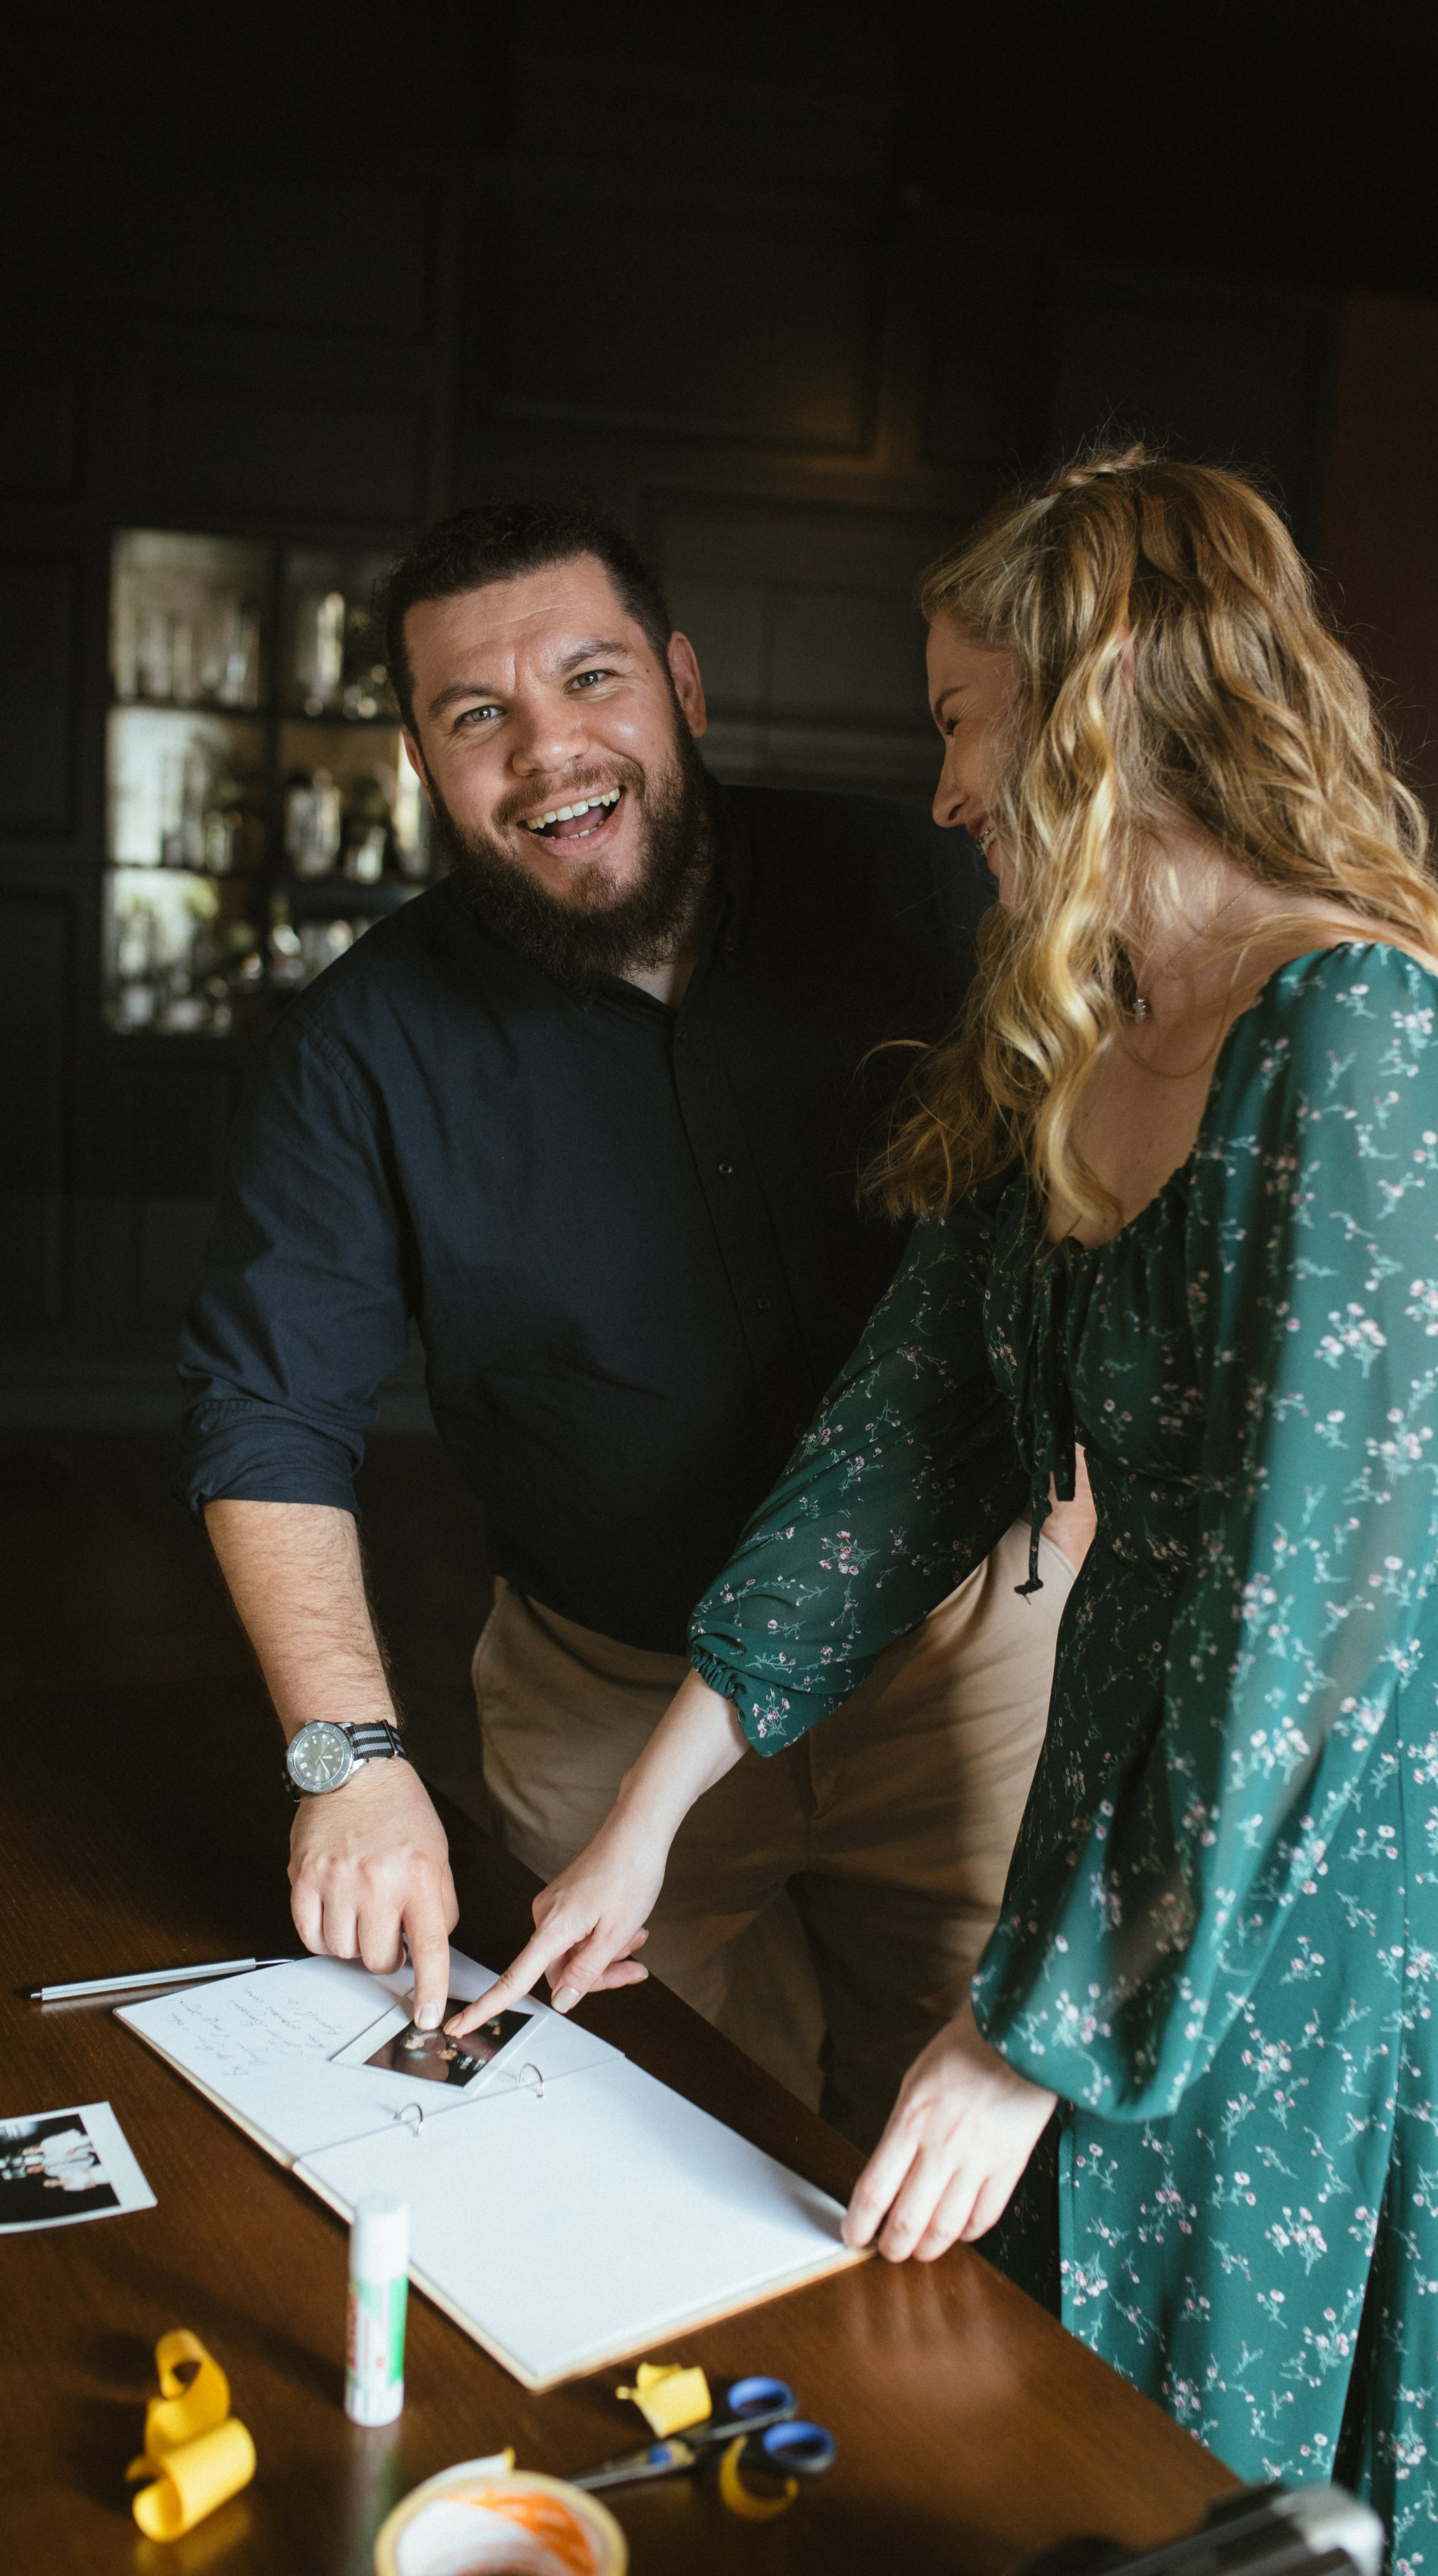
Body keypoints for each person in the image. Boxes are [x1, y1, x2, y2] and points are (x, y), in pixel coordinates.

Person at [452, 451, 1438, 2576]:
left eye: (967, 717)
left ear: (1101, 702)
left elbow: (1297, 1639)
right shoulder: (1088, 1030)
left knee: (1233, 2438)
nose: (946, 788)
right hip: (1130, 1804)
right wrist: (653, 1812)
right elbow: (902, 1446)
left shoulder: (1363, 1042)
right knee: (1071, 2384)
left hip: (1340, 1878)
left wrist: (1032, 2027)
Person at [177, 499, 1086, 2147]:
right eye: (476, 717)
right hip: (601, 1695)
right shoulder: (360, 1040)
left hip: (962, 1668)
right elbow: (267, 1411)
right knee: (619, 2143)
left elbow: (1102, 1223)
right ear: (418, 761)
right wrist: (347, 1758)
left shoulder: (936, 890)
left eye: (589, 678)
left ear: (681, 683)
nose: (546, 751)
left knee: (964, 2165)